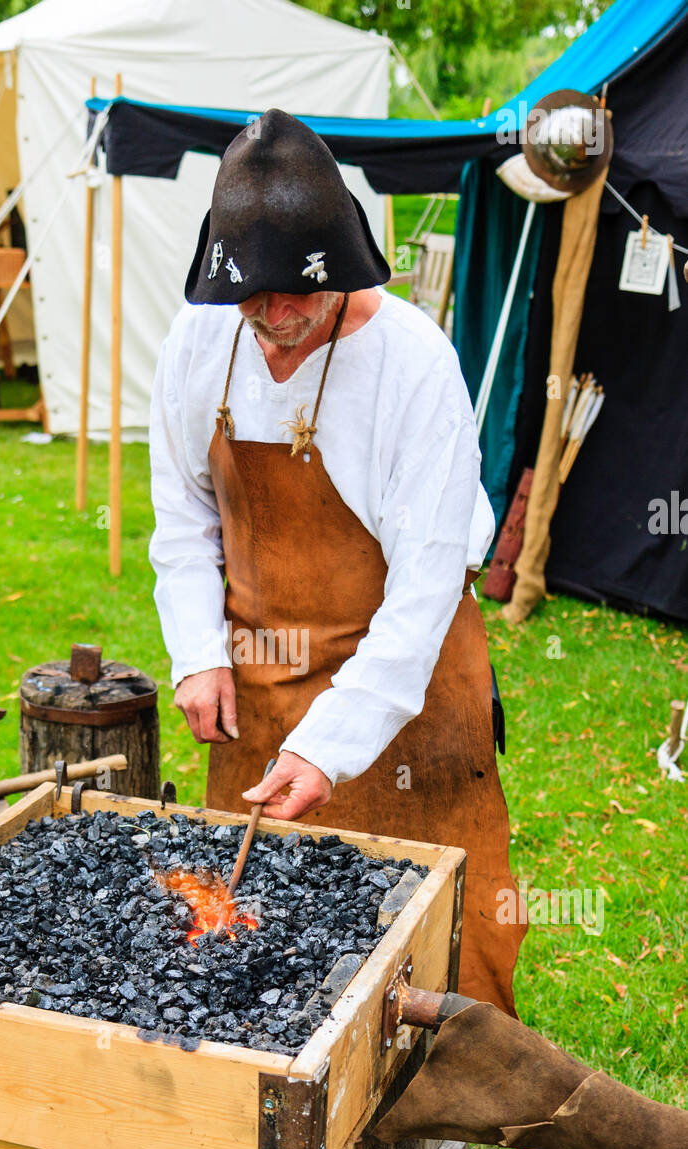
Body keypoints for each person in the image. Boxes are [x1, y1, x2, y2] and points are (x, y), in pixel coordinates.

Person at [149, 109, 525, 1023]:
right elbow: (184, 518)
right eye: (254, 296)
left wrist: (333, 742)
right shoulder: (201, 339)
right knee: (262, 935)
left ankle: (452, 1095)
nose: (274, 319)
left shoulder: (415, 367)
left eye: (295, 295)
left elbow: (427, 587)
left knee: (439, 932)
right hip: (263, 672)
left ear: (345, 268)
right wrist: (198, 650)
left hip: (409, 676)